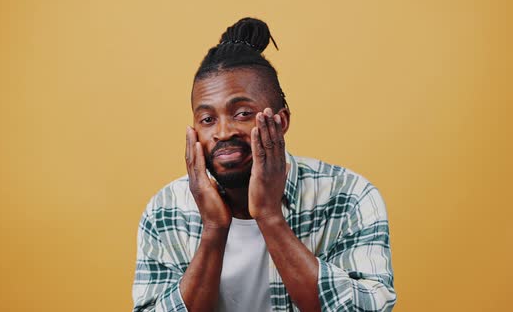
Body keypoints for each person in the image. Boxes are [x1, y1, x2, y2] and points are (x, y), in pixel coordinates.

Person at [132, 17, 396, 312]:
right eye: (207, 119)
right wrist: (213, 230)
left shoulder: (349, 196)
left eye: (242, 113)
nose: (222, 132)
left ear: (280, 122)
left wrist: (270, 216)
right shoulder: (165, 211)